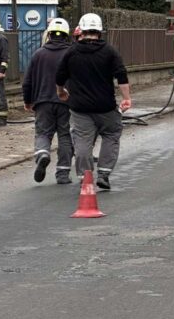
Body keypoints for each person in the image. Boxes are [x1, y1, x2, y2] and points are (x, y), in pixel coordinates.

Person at [55, 13, 131, 190]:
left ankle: (85, 176)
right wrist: (126, 98)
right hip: (105, 107)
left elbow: (59, 75)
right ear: (99, 31)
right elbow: (121, 75)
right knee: (112, 134)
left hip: (80, 108)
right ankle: (104, 173)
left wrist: (61, 91)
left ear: (81, 30)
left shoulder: (71, 52)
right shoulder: (109, 51)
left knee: (82, 141)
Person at [22, 18, 74, 184]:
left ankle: (43, 153)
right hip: (66, 102)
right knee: (65, 136)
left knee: (43, 132)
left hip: (42, 101)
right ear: (67, 36)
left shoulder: (38, 54)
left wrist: (28, 101)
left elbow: (27, 81)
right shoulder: (72, 54)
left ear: (49, 35)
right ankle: (63, 174)